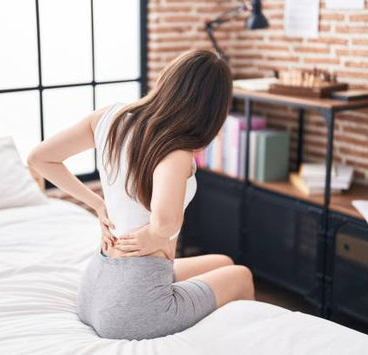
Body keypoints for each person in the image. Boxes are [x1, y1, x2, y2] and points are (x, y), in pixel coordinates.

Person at [27, 49, 255, 340]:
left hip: (94, 290)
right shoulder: (175, 151)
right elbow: (165, 222)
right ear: (211, 110)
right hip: (133, 307)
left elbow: (39, 158)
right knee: (242, 275)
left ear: (167, 80)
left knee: (223, 263)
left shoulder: (108, 118)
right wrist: (154, 234)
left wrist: (98, 205)